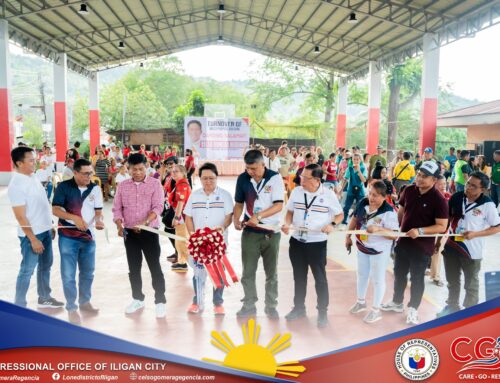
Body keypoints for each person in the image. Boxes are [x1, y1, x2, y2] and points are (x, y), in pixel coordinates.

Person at [381, 161, 448, 325]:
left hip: (422, 247)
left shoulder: (438, 199)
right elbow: (402, 212)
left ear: (434, 180)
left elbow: (442, 226)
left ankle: (413, 308)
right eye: (419, 174)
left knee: (417, 278)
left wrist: (421, 231)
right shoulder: (409, 190)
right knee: (399, 273)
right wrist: (396, 230)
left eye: (425, 177)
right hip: (403, 243)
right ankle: (397, 302)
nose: (419, 178)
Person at [282, 164, 343, 328]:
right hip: (297, 242)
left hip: (316, 243)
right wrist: (287, 224)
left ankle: (322, 312)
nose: (300, 180)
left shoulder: (328, 195)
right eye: (301, 176)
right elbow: (289, 212)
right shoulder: (296, 192)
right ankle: (299, 308)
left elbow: (340, 214)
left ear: (317, 180)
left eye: (305, 178)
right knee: (299, 277)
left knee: (320, 280)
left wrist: (332, 224)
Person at [437, 172, 500, 317]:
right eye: (468, 183)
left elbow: (497, 227)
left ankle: (470, 314)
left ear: (482, 189)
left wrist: (475, 234)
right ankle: (452, 307)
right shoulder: (457, 197)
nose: (468, 187)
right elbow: (447, 220)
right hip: (451, 247)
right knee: (452, 280)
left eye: (473, 186)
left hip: (472, 251)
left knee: (471, 285)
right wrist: (440, 241)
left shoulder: (487, 205)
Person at [7, 147, 63, 309]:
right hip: (31, 236)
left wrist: (50, 225)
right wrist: (32, 239)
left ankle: (44, 297)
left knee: (46, 266)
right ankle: (19, 306)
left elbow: (42, 204)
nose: (35, 162)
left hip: (45, 230)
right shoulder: (16, 185)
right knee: (27, 270)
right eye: (31, 160)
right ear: (19, 163)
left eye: (34, 159)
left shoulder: (32, 176)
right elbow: (20, 216)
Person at [112, 153, 167, 318]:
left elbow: (158, 207)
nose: (137, 172)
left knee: (154, 266)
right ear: (128, 168)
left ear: (147, 166)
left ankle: (160, 301)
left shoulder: (155, 184)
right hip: (130, 233)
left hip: (149, 232)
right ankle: (137, 299)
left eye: (141, 169)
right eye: (133, 169)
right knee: (133, 268)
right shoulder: (122, 186)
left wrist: (144, 222)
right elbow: (117, 208)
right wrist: (119, 224)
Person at [52, 159, 104, 324]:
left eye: (91, 173)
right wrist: (74, 217)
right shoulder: (63, 187)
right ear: (74, 172)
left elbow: (98, 212)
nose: (89, 176)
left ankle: (85, 302)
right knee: (68, 275)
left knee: (88, 273)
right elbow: (55, 209)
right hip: (68, 237)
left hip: (88, 238)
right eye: (85, 173)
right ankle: (71, 308)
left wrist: (100, 220)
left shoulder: (95, 188)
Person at [234, 150, 285, 318]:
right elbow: (239, 203)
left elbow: (278, 206)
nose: (251, 172)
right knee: (248, 272)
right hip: (250, 232)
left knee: (272, 273)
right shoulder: (243, 179)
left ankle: (271, 305)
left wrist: (259, 216)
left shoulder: (275, 178)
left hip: (271, 232)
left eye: (254, 168)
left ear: (263, 164)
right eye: (248, 168)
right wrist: (236, 219)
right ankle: (249, 305)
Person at [184, 162, 234, 315]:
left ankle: (218, 303)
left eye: (211, 178)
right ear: (199, 179)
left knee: (218, 272)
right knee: (198, 272)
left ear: (216, 178)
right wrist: (192, 234)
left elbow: (228, 217)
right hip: (198, 243)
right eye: (205, 178)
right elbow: (188, 217)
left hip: (218, 243)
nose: (208, 181)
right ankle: (197, 301)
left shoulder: (225, 195)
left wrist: (222, 228)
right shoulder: (194, 195)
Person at [346, 181, 399, 323]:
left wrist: (378, 229)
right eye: (370, 193)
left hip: (379, 251)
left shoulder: (389, 212)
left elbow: (395, 235)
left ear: (384, 197)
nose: (371, 198)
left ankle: (376, 310)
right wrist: (348, 236)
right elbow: (355, 218)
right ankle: (361, 302)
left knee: (378, 279)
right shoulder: (363, 203)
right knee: (362, 275)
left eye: (375, 195)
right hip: (362, 246)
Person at [428, 175, 451, 287]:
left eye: (444, 184)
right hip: (428, 230)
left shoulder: (448, 198)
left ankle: (435, 276)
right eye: (440, 184)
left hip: (442, 231)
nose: (443, 186)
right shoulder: (429, 197)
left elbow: (450, 218)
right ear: (434, 185)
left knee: (437, 252)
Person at [170, 165, 192, 272]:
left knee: (182, 240)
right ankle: (182, 262)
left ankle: (189, 263)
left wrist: (176, 217)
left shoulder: (182, 185)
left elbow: (180, 202)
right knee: (179, 240)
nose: (173, 173)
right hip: (182, 216)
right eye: (173, 171)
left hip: (182, 216)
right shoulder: (179, 183)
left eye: (176, 171)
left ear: (183, 173)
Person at [340, 153, 367, 225]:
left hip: (360, 191)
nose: (356, 161)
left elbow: (364, 180)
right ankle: (344, 221)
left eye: (357, 159)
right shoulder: (349, 168)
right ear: (352, 160)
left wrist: (358, 171)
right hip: (350, 190)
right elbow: (345, 179)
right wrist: (341, 190)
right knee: (346, 207)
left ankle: (359, 222)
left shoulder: (363, 168)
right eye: (354, 159)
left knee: (361, 207)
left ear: (360, 160)